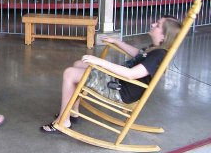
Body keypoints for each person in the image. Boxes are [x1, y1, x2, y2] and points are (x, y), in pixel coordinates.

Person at [41, 16, 182, 133]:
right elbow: (137, 54)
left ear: (164, 36)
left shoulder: (159, 55)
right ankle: (73, 112)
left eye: (157, 25)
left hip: (120, 90)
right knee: (79, 64)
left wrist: (99, 61)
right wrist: (117, 41)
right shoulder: (155, 50)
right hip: (119, 82)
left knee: (70, 73)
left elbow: (131, 74)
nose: (153, 24)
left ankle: (63, 121)